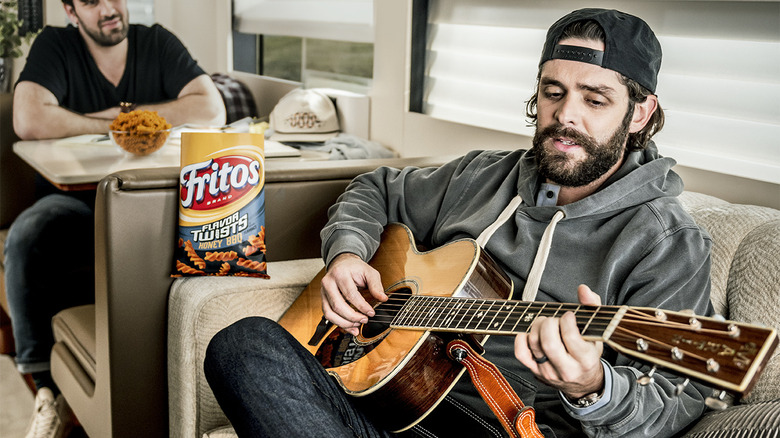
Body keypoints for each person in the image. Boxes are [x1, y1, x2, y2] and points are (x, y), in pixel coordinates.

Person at [204, 8, 714, 438]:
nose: (565, 116)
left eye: (595, 99)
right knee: (241, 345)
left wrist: (591, 387)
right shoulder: (482, 174)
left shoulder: (667, 242)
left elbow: (676, 398)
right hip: (388, 401)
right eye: (553, 92)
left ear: (642, 112)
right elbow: (375, 188)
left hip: (507, 428)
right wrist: (347, 255)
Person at [5, 0, 225, 436]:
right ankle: (47, 390)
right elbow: (29, 119)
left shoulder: (157, 41)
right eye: (91, 1)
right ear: (70, 11)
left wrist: (97, 119)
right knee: (26, 236)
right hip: (76, 203)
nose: (109, 8)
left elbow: (210, 108)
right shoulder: (56, 45)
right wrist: (121, 123)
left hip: (152, 203)